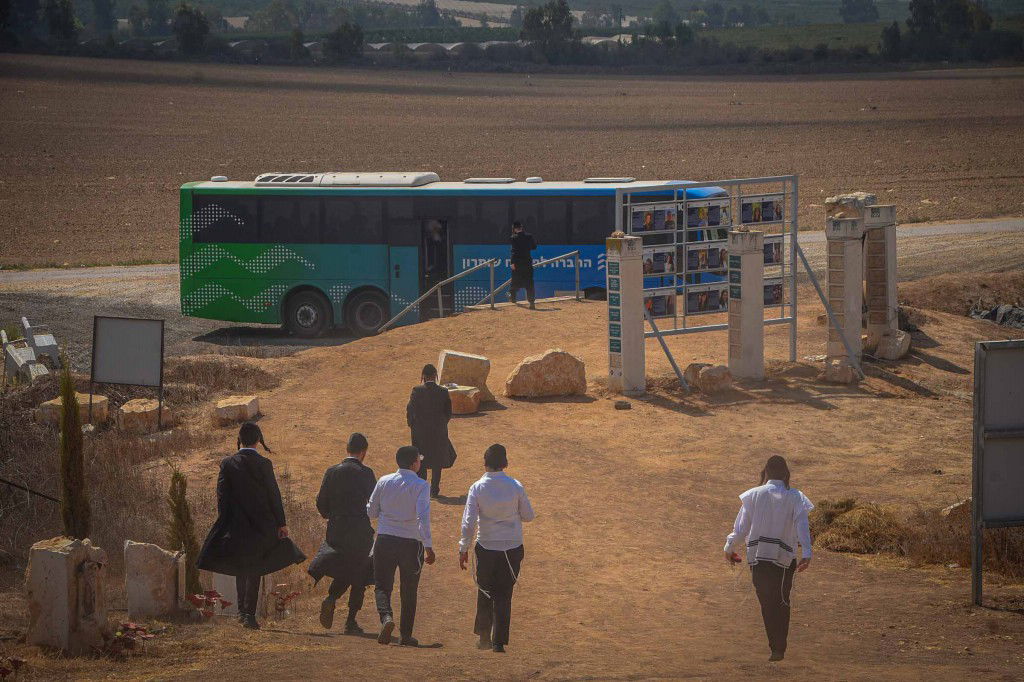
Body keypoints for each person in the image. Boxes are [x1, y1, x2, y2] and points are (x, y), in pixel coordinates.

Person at [197, 422, 306, 630]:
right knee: (255, 567)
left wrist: (225, 521)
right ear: (258, 441)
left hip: (236, 524)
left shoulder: (227, 463)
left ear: (239, 439)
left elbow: (222, 496)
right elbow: (274, 495)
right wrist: (281, 523)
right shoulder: (264, 464)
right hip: (261, 525)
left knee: (240, 566)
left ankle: (241, 611)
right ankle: (249, 615)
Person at [724, 455, 813, 662]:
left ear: (766, 472)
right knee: (782, 601)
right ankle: (779, 647)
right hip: (784, 559)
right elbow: (802, 527)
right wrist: (806, 554)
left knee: (767, 602)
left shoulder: (753, 495)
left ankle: (775, 647)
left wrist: (729, 547)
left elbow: (741, 528)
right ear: (786, 474)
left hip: (759, 558)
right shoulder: (796, 497)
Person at [459, 444, 535, 653]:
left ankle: (484, 637)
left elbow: (468, 522)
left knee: (485, 590)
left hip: (486, 546)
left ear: (485, 463)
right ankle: (498, 642)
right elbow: (528, 515)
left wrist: (463, 548)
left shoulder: (477, 487)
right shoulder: (515, 486)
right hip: (511, 547)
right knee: (504, 593)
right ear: (505, 463)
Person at [308, 433, 377, 634]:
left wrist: (331, 515)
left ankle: (332, 598)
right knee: (360, 573)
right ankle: (350, 620)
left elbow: (321, 503)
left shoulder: (331, 472)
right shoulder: (366, 473)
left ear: (347, 449)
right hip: (359, 530)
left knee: (345, 567)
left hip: (336, 529)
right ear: (363, 452)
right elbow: (373, 503)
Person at [367, 446, 436, 646]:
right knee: (409, 588)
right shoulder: (422, 485)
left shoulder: (384, 481)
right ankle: (405, 635)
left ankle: (386, 618)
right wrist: (429, 545)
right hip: (411, 543)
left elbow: (371, 512)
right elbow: (423, 517)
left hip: (385, 539)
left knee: (382, 585)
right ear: (414, 463)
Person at [406, 363, 454, 499]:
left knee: (421, 459)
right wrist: (441, 425)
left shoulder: (416, 391)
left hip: (420, 434)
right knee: (437, 461)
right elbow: (448, 413)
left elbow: (410, 410)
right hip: (438, 433)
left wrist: (412, 426)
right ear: (435, 376)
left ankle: (422, 488)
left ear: (424, 377)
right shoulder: (443, 392)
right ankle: (434, 490)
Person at [509, 220, 537, 309]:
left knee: (515, 280)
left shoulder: (514, 238)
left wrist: (512, 263)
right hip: (527, 263)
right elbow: (534, 247)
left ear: (514, 229)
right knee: (529, 282)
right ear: (521, 228)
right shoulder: (529, 236)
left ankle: (513, 298)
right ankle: (532, 303)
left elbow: (514, 251)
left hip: (518, 263)